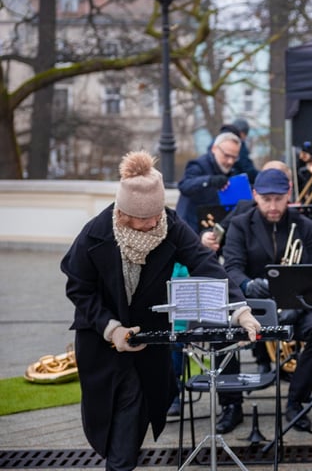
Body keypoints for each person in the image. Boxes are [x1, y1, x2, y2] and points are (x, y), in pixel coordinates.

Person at [61, 150, 260, 470]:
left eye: (157, 215)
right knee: (116, 414)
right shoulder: (95, 233)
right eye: (146, 219)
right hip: (101, 338)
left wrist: (240, 310)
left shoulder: (169, 224)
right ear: (124, 214)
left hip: (149, 340)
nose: (155, 223)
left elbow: (205, 264)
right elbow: (78, 288)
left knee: (137, 412)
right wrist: (111, 328)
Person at [222, 167, 312, 432]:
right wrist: (249, 284)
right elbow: (231, 269)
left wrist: (294, 304)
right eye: (266, 199)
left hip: (295, 304)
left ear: (289, 195)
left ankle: (296, 400)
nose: (272, 206)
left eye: (279, 199)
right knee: (218, 332)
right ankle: (231, 405)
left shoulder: (304, 226)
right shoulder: (239, 224)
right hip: (251, 308)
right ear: (255, 195)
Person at [176, 132, 242, 233]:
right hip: (190, 227)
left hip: (213, 225)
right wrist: (209, 181)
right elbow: (184, 185)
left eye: (234, 158)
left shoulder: (232, 172)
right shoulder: (198, 165)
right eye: (227, 156)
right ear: (214, 149)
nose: (230, 162)